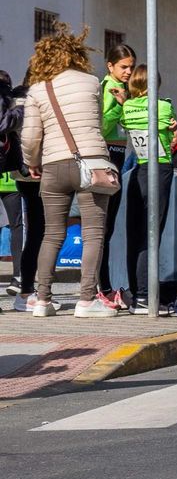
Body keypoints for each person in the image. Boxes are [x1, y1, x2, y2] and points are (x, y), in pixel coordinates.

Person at [19, 26, 123, 317]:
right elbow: (98, 123)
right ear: (77, 53)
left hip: (53, 165)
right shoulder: (91, 82)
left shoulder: (38, 89)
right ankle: (87, 300)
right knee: (93, 233)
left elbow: (29, 136)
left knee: (51, 234)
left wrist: (32, 162)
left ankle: (42, 300)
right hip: (91, 164)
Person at [120, 64, 177, 307]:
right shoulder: (163, 105)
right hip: (161, 167)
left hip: (139, 169)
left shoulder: (127, 107)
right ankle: (145, 294)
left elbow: (125, 123)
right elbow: (171, 130)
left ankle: (136, 291)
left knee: (135, 232)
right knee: (153, 232)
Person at [1, 69, 47, 309]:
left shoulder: (14, 98)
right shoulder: (22, 101)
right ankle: (27, 285)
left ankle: (24, 284)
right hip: (28, 172)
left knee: (29, 227)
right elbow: (21, 133)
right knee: (33, 228)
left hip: (18, 174)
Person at [97, 43, 135, 295]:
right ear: (110, 66)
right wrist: (121, 106)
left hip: (119, 155)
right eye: (123, 66)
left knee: (108, 227)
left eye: (131, 67)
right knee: (103, 226)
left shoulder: (124, 89)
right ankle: (102, 285)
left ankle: (106, 285)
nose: (128, 71)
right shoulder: (109, 89)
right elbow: (101, 123)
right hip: (109, 154)